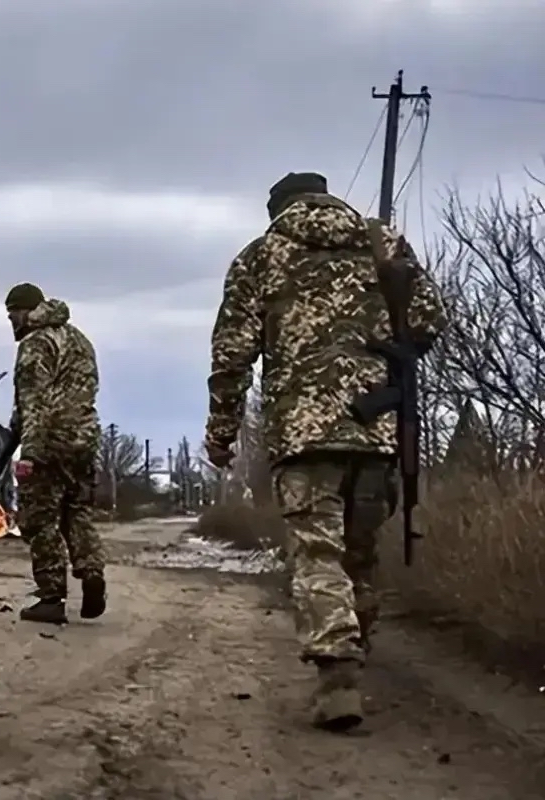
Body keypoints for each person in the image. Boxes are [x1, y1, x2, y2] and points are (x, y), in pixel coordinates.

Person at [203, 172, 446, 731]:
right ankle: (356, 651)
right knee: (359, 554)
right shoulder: (382, 242)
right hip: (379, 431)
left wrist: (222, 431)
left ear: (277, 211)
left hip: (304, 437)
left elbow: (232, 354)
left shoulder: (260, 256)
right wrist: (387, 354)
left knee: (318, 555)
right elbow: (431, 318)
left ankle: (338, 677)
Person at [5, 282, 107, 624]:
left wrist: (29, 453)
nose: (11, 322)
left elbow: (35, 403)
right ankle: (92, 573)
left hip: (49, 444)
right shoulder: (79, 340)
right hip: (84, 441)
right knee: (77, 510)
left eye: (12, 314)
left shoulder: (36, 344)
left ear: (25, 311)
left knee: (40, 520)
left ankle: (51, 598)